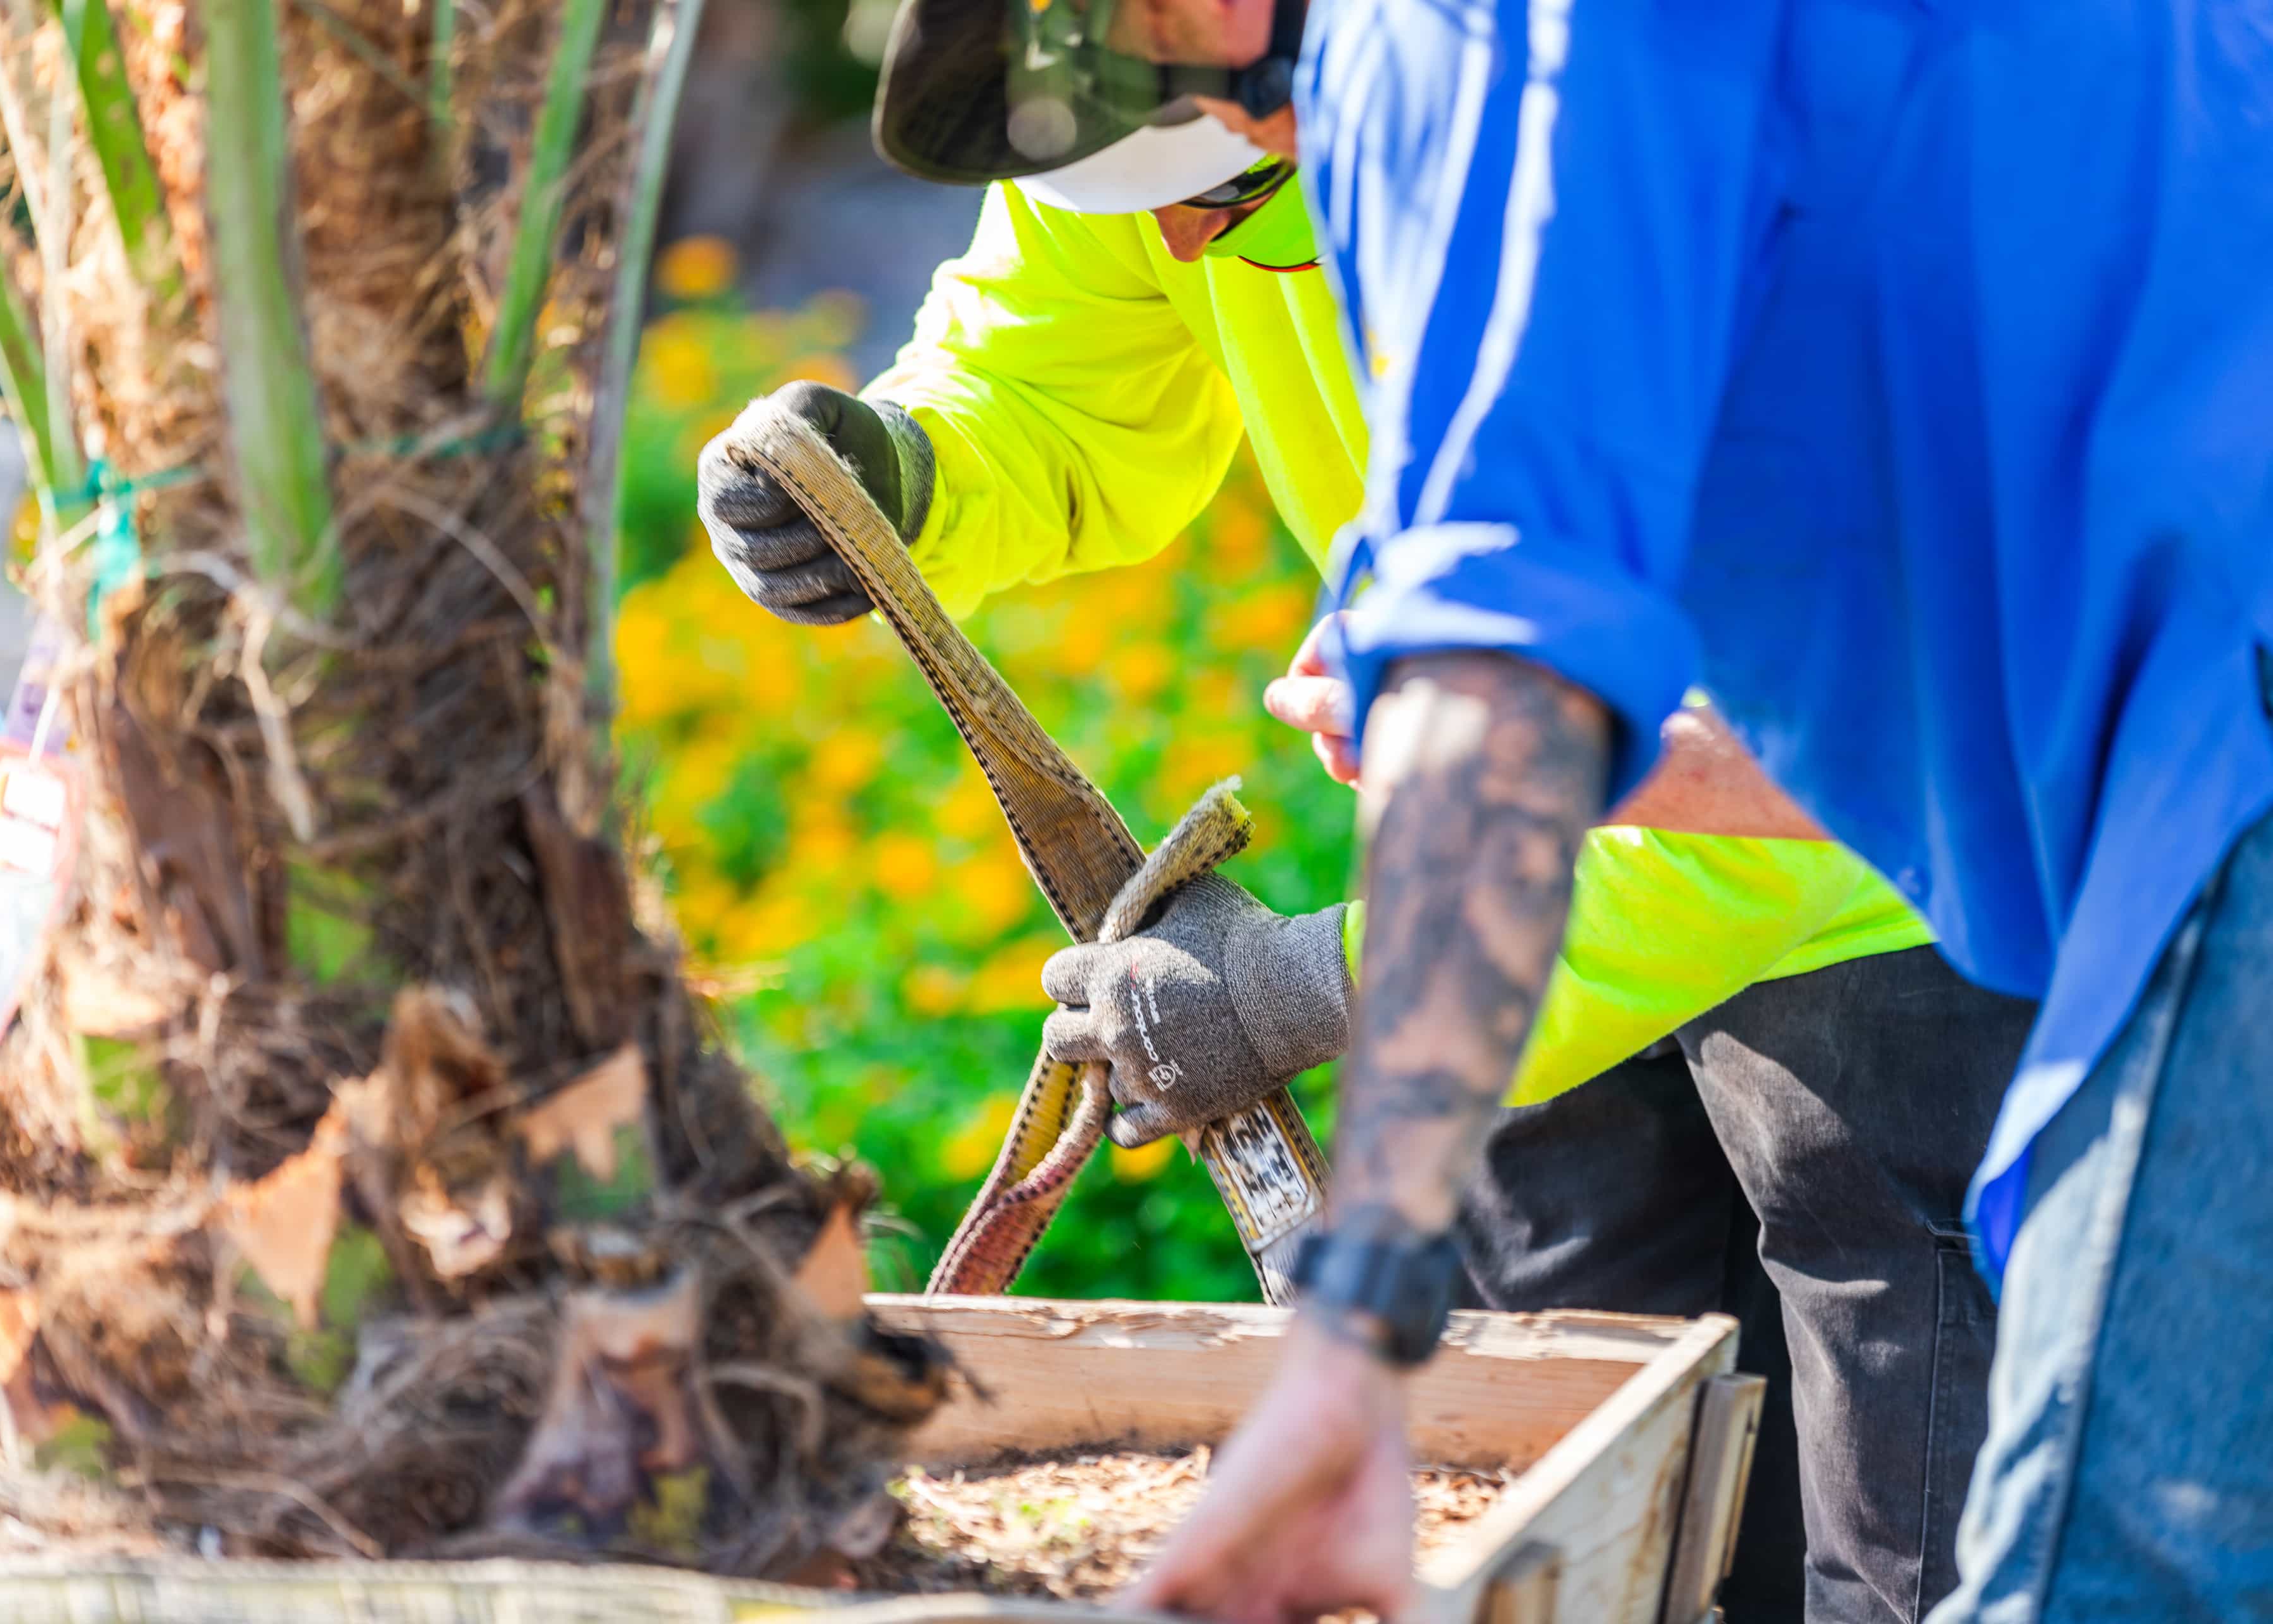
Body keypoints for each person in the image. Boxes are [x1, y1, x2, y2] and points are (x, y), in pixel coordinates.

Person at [697, 22, 2035, 1614]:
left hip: (1855, 871)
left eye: (1222, 197)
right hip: (1499, 850)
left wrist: (1322, 979)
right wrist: (914, 470)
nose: (1178, 241)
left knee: (1917, 1552)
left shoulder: (1624, 124)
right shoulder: (1140, 69)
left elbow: (1785, 733)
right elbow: (1053, 364)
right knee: (1571, 1520)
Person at [980, 2, 2273, 1621]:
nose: (1213, 210)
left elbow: (1506, 674)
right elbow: (1905, 662)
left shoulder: (1479, 45)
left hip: (2216, 781)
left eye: (1231, 153)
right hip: (2164, 785)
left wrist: (1353, 1346)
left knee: (2108, 1575)